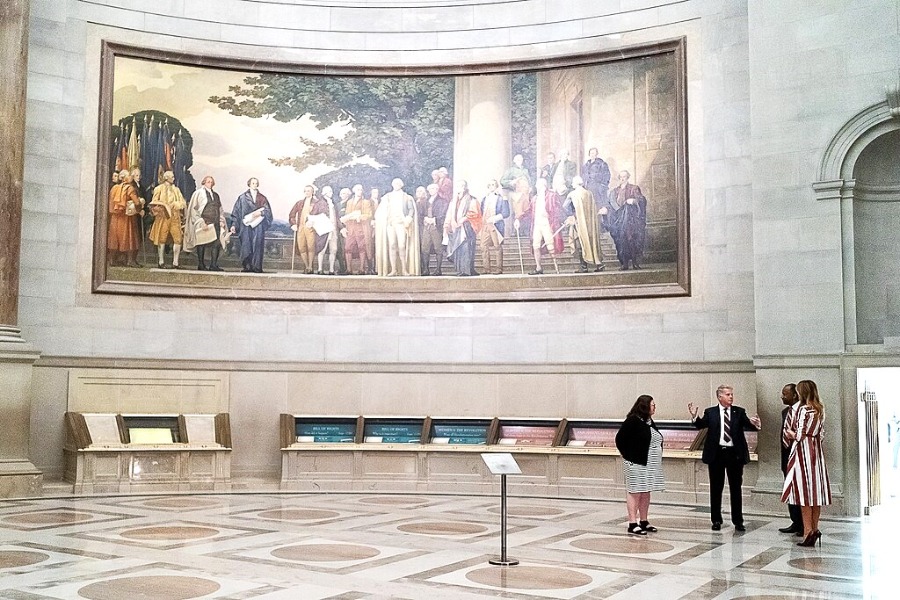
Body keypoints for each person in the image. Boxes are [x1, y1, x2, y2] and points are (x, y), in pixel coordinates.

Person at [689, 385, 761, 531]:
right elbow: (701, 425)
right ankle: (716, 520)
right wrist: (694, 417)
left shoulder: (739, 412)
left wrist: (756, 425)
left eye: (732, 394)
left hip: (734, 454)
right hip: (716, 455)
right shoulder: (711, 412)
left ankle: (738, 520)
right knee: (716, 488)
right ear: (719, 397)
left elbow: (749, 425)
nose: (731, 397)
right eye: (728, 394)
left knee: (736, 488)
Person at [782, 379, 832, 547]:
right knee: (816, 495)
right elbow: (821, 433)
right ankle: (815, 529)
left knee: (804, 495)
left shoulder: (804, 409)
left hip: (803, 454)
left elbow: (800, 434)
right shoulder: (820, 409)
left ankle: (807, 532)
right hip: (816, 454)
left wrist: (790, 433)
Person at [615, 395, 665, 535]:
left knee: (645, 491)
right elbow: (620, 439)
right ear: (644, 405)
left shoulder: (648, 421)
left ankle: (644, 520)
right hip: (636, 463)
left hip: (649, 464)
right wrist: (628, 456)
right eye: (652, 404)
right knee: (635, 492)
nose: (655, 407)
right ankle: (632, 522)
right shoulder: (633, 420)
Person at [374, 178, 419, 276]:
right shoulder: (388, 197)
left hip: (401, 224)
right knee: (392, 245)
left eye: (398, 183)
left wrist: (408, 219)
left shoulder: (407, 197)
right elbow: (381, 210)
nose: (396, 185)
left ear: (401, 185)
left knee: (402, 245)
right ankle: (393, 269)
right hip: (391, 224)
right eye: (395, 183)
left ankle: (404, 270)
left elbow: (411, 210)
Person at [230, 177, 273, 273]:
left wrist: (261, 213)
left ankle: (257, 267)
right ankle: (247, 266)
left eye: (256, 183)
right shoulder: (242, 197)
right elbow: (236, 212)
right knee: (246, 245)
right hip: (245, 226)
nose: (255, 185)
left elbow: (268, 211)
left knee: (257, 245)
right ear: (249, 184)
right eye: (253, 183)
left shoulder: (262, 198)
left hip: (258, 226)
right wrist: (233, 225)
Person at [184, 175, 226, 271]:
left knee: (216, 243)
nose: (210, 183)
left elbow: (220, 209)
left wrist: (221, 221)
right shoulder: (198, 193)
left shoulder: (216, 195)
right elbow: (194, 209)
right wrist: (201, 222)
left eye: (211, 182)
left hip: (215, 222)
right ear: (204, 182)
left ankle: (213, 265)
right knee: (201, 243)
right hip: (204, 222)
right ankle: (201, 264)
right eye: (208, 182)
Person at [563, 175, 604, 272]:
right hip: (590, 223)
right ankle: (599, 265)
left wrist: (571, 216)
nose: (572, 184)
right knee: (591, 241)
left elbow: (564, 206)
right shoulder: (589, 193)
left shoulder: (572, 194)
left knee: (579, 242)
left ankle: (584, 267)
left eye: (573, 182)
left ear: (576, 183)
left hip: (579, 222)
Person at [778, 383, 804, 536]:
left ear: (794, 395)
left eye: (785, 393)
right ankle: (795, 521)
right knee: (790, 490)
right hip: (786, 456)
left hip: (799, 455)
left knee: (800, 490)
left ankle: (804, 524)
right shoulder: (784, 412)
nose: (782, 396)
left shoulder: (804, 411)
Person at [148, 170, 186, 269]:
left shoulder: (176, 190)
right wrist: (161, 207)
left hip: (174, 216)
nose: (173, 178)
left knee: (178, 239)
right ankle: (161, 262)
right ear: (166, 178)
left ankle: (175, 262)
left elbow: (182, 202)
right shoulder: (158, 189)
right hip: (163, 217)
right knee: (162, 238)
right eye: (172, 177)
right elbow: (154, 203)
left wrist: (176, 204)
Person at [609, 170, 647, 270]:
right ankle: (624, 263)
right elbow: (611, 204)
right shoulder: (614, 191)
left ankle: (635, 262)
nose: (622, 178)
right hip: (619, 220)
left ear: (627, 177)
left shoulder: (633, 188)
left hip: (630, 220)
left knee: (632, 240)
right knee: (621, 242)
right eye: (621, 177)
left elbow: (641, 199)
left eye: (624, 176)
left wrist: (634, 201)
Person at [526, 177, 563, 276]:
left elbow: (558, 208)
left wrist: (550, 214)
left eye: (538, 185)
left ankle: (556, 268)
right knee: (536, 245)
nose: (536, 186)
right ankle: (538, 268)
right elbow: (529, 210)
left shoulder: (551, 195)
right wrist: (518, 218)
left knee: (550, 245)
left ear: (543, 185)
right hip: (537, 224)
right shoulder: (535, 198)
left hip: (547, 223)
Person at [444, 179, 481, 277]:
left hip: (467, 227)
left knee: (467, 248)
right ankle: (461, 270)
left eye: (461, 186)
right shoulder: (454, 200)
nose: (459, 188)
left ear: (465, 187)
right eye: (458, 186)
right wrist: (448, 224)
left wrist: (464, 219)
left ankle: (468, 270)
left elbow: (475, 212)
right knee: (459, 249)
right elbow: (450, 213)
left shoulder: (472, 199)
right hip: (456, 227)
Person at [107, 169, 143, 267]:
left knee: (114, 239)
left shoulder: (114, 188)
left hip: (115, 217)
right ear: (124, 178)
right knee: (129, 238)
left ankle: (112, 260)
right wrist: (140, 206)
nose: (131, 176)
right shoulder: (129, 188)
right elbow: (137, 202)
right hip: (127, 218)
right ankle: (130, 261)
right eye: (129, 175)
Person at [289, 185, 325, 274]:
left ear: (312, 192)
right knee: (301, 247)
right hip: (301, 227)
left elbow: (322, 215)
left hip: (311, 228)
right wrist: (293, 224)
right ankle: (306, 266)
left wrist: (314, 222)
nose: (307, 192)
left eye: (309, 191)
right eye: (305, 191)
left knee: (311, 247)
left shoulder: (317, 203)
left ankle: (310, 267)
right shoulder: (299, 203)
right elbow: (292, 214)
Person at [341, 184, 375, 275]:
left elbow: (369, 215)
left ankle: (362, 269)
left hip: (361, 228)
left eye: (361, 190)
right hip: (351, 228)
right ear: (354, 191)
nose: (360, 191)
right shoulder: (349, 202)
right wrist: (346, 221)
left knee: (362, 248)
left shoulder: (366, 202)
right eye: (358, 189)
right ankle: (349, 269)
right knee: (347, 248)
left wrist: (360, 216)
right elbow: (347, 215)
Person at [479, 179, 510, 275]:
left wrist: (494, 219)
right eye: (490, 185)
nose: (491, 187)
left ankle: (499, 268)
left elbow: (506, 213)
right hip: (485, 226)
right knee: (483, 246)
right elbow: (481, 211)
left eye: (493, 185)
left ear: (496, 186)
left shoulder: (501, 198)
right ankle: (486, 268)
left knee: (497, 246)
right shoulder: (484, 198)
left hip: (495, 225)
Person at [418, 182, 448, 275]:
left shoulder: (442, 201)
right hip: (427, 227)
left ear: (437, 190)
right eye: (430, 189)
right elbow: (421, 214)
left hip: (436, 227)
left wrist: (434, 219)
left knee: (438, 248)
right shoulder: (425, 201)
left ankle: (438, 269)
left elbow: (443, 214)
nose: (431, 191)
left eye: (433, 189)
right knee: (424, 248)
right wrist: (425, 218)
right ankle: (426, 270)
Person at [582, 147, 612, 214]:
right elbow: (583, 176)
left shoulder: (602, 164)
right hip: (588, 188)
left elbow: (607, 175)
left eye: (594, 153)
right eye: (591, 153)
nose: (592, 155)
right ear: (589, 154)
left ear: (597, 154)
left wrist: (603, 185)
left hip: (598, 189)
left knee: (598, 207)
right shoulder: (586, 165)